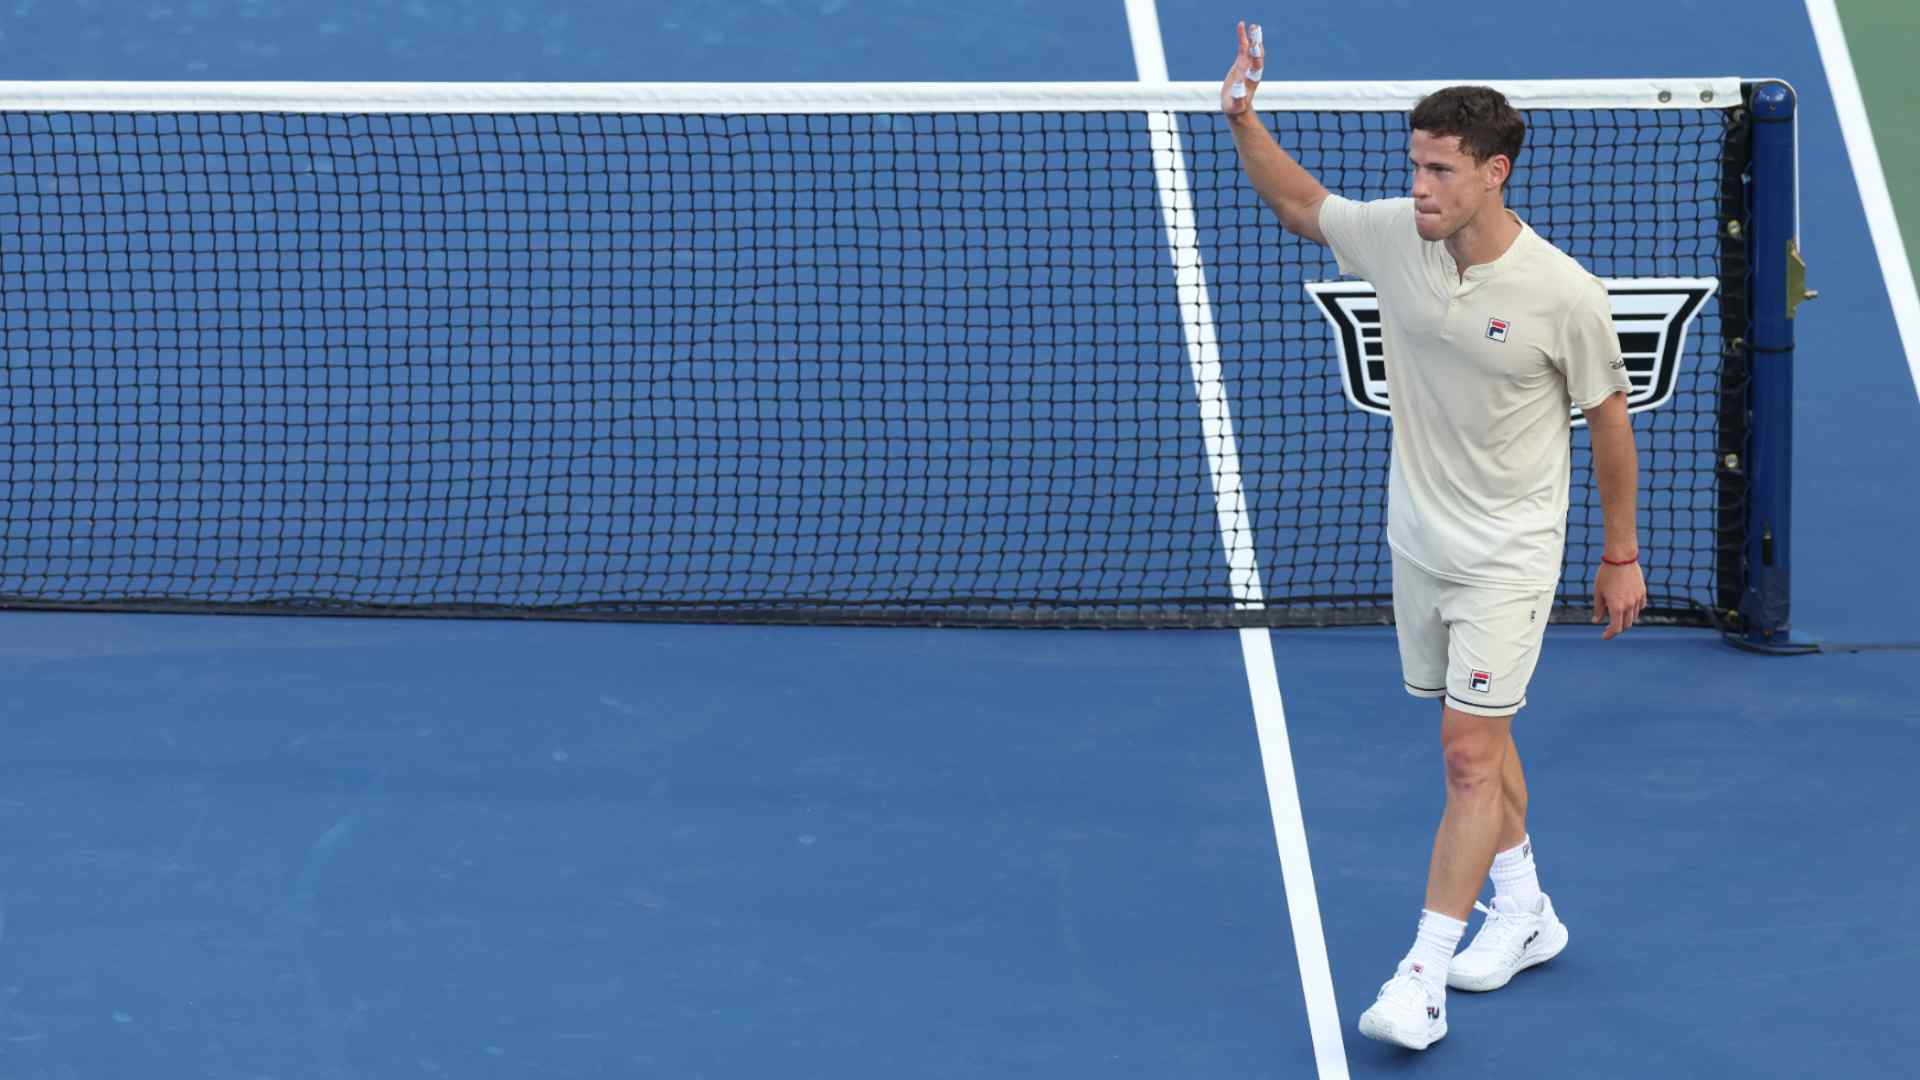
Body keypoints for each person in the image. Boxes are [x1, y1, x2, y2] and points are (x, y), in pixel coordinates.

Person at [1219, 21, 1649, 1050]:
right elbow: (1295, 201)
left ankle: (1422, 978)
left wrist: (1620, 552)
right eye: (1414, 164)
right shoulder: (1395, 239)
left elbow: (1610, 423)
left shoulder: (1564, 294)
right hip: (1419, 540)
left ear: (1494, 174)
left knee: (1466, 754)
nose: (1419, 184)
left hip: (1510, 550)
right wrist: (1242, 116)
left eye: (1441, 170)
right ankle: (1527, 908)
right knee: (1477, 743)